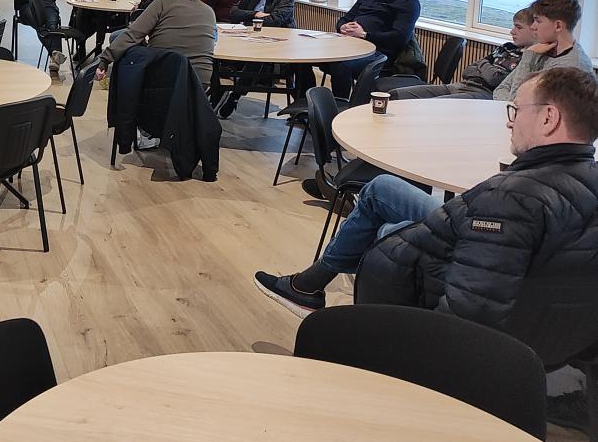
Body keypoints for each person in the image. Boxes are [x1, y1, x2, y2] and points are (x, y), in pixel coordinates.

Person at [254, 66, 598, 324]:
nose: (510, 121)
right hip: (488, 248)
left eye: (517, 110)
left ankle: (323, 295)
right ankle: (310, 284)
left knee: (389, 231)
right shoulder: (582, 176)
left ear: (549, 118)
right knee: (382, 188)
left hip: (458, 255)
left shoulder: (509, 200)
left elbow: (468, 311)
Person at [98, 0, 217, 149]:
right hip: (199, 84)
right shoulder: (208, 11)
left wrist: (105, 59)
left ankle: (146, 133)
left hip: (167, 82)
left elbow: (132, 35)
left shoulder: (161, 4)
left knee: (132, 67)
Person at [320, 0, 420, 100]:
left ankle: (340, 106)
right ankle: (305, 104)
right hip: (350, 45)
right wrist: (343, 27)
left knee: (341, 64)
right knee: (308, 55)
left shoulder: (408, 1)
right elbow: (345, 18)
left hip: (379, 54)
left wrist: (364, 35)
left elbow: (399, 38)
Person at [391, 7, 534, 100]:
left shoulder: (529, 59)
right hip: (462, 85)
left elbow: (494, 80)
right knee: (395, 95)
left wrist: (483, 65)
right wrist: (488, 69)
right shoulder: (507, 47)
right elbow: (468, 70)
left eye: (518, 28)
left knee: (429, 105)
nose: (512, 31)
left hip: (482, 94)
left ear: (534, 30)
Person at [212, 0, 296, 117]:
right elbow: (234, 12)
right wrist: (256, 14)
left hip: (276, 42)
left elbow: (275, 20)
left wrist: (249, 19)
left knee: (255, 59)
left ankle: (235, 96)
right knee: (216, 52)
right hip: (248, 37)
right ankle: (218, 92)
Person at [493, 0, 594, 101]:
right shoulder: (539, 49)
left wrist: (528, 57)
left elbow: (517, 101)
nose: (533, 27)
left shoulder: (572, 67)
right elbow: (501, 89)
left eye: (538, 21)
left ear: (558, 26)